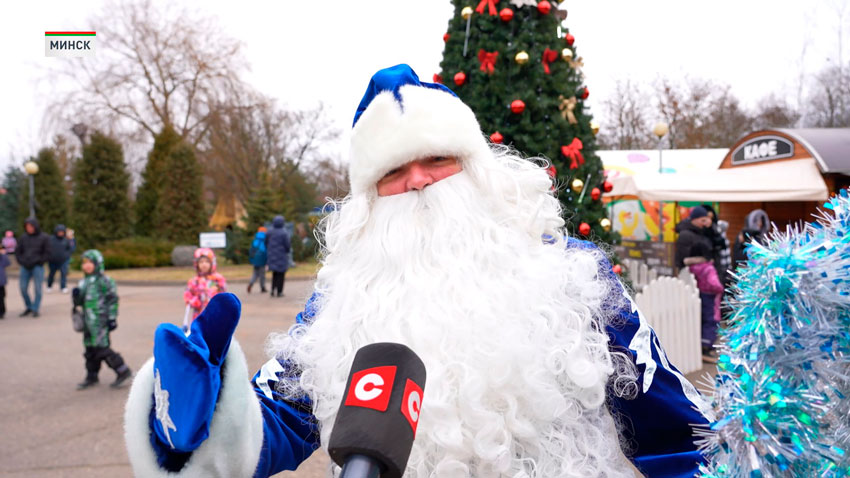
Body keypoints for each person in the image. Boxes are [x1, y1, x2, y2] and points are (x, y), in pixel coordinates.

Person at [125, 64, 711, 478]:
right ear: (368, 201)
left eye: (437, 159)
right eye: (395, 169)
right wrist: (200, 420)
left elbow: (677, 433)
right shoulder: (337, 306)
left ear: (478, 169)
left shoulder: (573, 279)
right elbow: (272, 421)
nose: (419, 181)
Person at [73, 249, 132, 390]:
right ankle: (91, 375)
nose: (86, 266)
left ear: (97, 263)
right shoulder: (83, 282)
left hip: (100, 321)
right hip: (87, 321)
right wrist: (76, 296)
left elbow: (112, 300)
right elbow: (79, 302)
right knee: (90, 349)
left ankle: (122, 370)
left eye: (90, 263)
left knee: (101, 348)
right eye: (84, 263)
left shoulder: (105, 281)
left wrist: (112, 318)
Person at [684, 242, 724, 362]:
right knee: (711, 321)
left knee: (702, 320)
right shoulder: (708, 267)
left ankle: (702, 346)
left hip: (699, 295)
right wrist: (720, 289)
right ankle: (706, 348)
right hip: (710, 296)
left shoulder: (690, 268)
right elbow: (714, 283)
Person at [16, 217, 49, 317]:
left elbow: (47, 252)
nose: (29, 228)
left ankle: (35, 308)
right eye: (27, 227)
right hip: (25, 266)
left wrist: (40, 261)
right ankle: (29, 306)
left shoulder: (44, 237)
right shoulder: (23, 238)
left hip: (37, 266)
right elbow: (18, 251)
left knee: (38, 289)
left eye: (30, 226)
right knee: (23, 288)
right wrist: (21, 261)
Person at [183, 248, 227, 322]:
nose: (204, 264)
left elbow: (223, 293)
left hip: (215, 313)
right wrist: (193, 301)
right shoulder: (194, 281)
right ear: (197, 264)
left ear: (212, 263)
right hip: (199, 314)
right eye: (201, 262)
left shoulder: (218, 279)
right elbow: (188, 294)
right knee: (199, 331)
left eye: (207, 262)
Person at [674, 206, 714, 270]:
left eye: (705, 220)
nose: (704, 223)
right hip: (690, 273)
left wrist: (710, 229)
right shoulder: (685, 234)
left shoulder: (702, 231)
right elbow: (682, 259)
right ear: (694, 219)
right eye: (702, 220)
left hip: (704, 270)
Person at [701, 204, 731, 288]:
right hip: (705, 269)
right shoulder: (700, 233)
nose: (709, 220)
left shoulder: (718, 230)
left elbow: (724, 248)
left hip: (719, 267)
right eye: (707, 218)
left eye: (711, 218)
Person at [265, 215, 291, 298]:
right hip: (282, 256)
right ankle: (279, 292)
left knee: (274, 274)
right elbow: (287, 245)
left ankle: (272, 290)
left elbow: (266, 242)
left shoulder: (269, 232)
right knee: (281, 274)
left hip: (272, 255)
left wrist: (270, 250)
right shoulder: (284, 232)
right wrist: (287, 251)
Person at [47, 224, 76, 293]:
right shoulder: (51, 239)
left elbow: (72, 248)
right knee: (52, 274)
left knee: (63, 273)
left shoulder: (67, 240)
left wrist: (72, 239)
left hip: (63, 260)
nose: (60, 233)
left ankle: (63, 287)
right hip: (52, 260)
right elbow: (46, 248)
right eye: (59, 232)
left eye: (62, 232)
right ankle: (49, 286)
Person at [247, 227, 268, 294]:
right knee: (262, 274)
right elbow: (266, 251)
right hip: (262, 259)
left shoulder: (255, 239)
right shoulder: (265, 239)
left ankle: (251, 283)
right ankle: (262, 287)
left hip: (255, 259)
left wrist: (251, 259)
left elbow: (251, 250)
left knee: (255, 273)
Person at [0, 245, 9, 319]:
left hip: (1, 281)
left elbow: (7, 263)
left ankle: (2, 312)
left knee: (1, 297)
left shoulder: (2, 256)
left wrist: (3, 254)